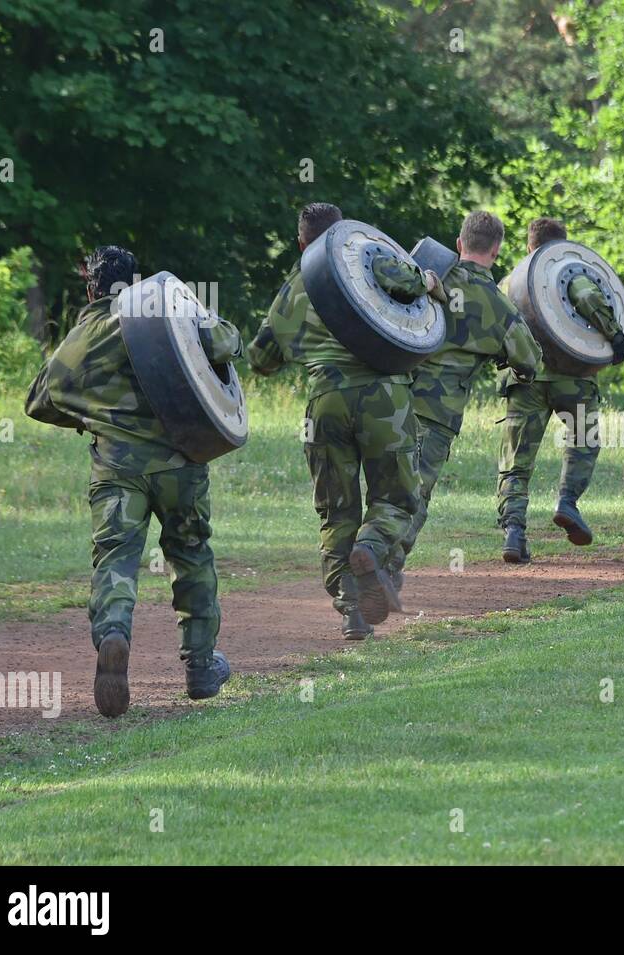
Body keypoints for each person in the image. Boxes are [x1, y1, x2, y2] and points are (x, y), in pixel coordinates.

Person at [25, 246, 238, 716]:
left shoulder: (80, 338)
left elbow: (39, 401)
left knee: (116, 558)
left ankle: (113, 635)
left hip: (117, 468)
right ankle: (201, 666)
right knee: (190, 553)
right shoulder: (160, 316)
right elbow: (225, 342)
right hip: (180, 462)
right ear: (134, 284)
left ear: (91, 290)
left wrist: (93, 414)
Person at [247, 202, 446, 637]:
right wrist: (430, 281)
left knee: (337, 510)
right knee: (397, 498)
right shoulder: (365, 260)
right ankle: (371, 548)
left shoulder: (291, 289)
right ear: (344, 234)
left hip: (324, 403)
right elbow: (406, 279)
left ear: (301, 243)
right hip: (384, 399)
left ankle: (351, 610)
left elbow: (260, 359)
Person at [385, 211, 541, 582]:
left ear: (459, 243)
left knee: (382, 489)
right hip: (438, 413)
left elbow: (382, 283)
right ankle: (383, 569)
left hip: (388, 398)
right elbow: (530, 361)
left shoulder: (428, 274)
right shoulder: (500, 307)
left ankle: (358, 561)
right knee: (414, 494)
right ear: (496, 250)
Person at [495, 217, 624, 563]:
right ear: (561, 247)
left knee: (517, 460)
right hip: (574, 378)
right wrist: (616, 336)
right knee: (583, 441)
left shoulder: (509, 281)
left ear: (529, 246)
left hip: (525, 380)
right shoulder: (568, 270)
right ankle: (567, 502)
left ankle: (514, 531)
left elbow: (493, 325)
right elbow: (585, 294)